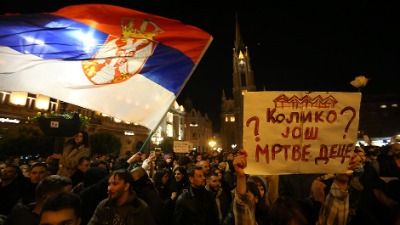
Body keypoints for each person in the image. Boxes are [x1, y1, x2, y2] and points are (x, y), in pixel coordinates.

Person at [87, 169, 155, 225]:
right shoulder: (104, 205)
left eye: (115, 184)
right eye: (109, 184)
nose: (109, 188)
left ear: (126, 186)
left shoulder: (141, 208)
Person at [5, 175, 73, 225]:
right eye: (66, 196)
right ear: (46, 199)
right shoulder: (28, 221)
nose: (72, 199)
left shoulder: (23, 211)